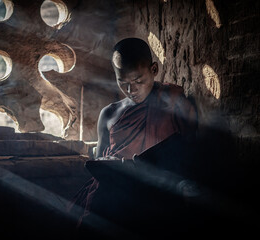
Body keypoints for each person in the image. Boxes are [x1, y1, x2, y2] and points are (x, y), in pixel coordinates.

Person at [68, 38, 198, 239]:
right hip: (116, 195)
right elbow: (100, 164)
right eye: (123, 83)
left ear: (154, 69)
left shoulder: (174, 103)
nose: (131, 91)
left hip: (158, 195)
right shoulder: (109, 114)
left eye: (138, 81)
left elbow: (190, 155)